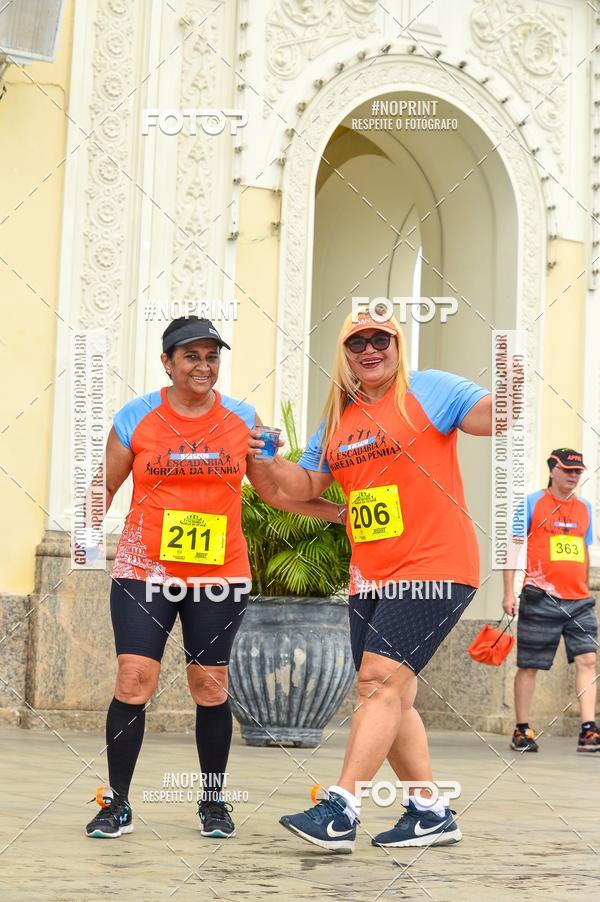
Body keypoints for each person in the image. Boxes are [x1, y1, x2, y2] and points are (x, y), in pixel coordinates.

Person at [84, 316, 345, 840]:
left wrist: (337, 514)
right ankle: (117, 803)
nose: (203, 366)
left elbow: (272, 491)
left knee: (209, 685)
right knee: (134, 680)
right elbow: (102, 488)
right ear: (167, 363)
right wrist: (84, 545)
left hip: (219, 575)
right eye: (191, 356)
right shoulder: (136, 416)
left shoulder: (243, 420)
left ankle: (212, 802)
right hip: (145, 570)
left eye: (211, 356)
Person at [249, 309, 492, 852]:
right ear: (346, 353)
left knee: (377, 682)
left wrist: (514, 377)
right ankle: (429, 810)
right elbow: (302, 484)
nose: (369, 349)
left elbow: (492, 417)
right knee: (393, 694)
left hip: (435, 566)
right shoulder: (339, 418)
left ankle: (341, 808)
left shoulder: (429, 389)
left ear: (397, 344)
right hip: (371, 576)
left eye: (380, 339)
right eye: (357, 342)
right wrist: (264, 459)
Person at [503, 448, 599, 753]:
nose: (573, 476)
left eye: (577, 472)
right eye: (568, 470)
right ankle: (522, 730)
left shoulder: (585, 507)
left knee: (588, 659)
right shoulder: (532, 502)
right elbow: (513, 548)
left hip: (579, 599)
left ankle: (588, 730)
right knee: (530, 664)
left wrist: (583, 584)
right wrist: (509, 591)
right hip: (540, 594)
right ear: (552, 469)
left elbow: (583, 549)